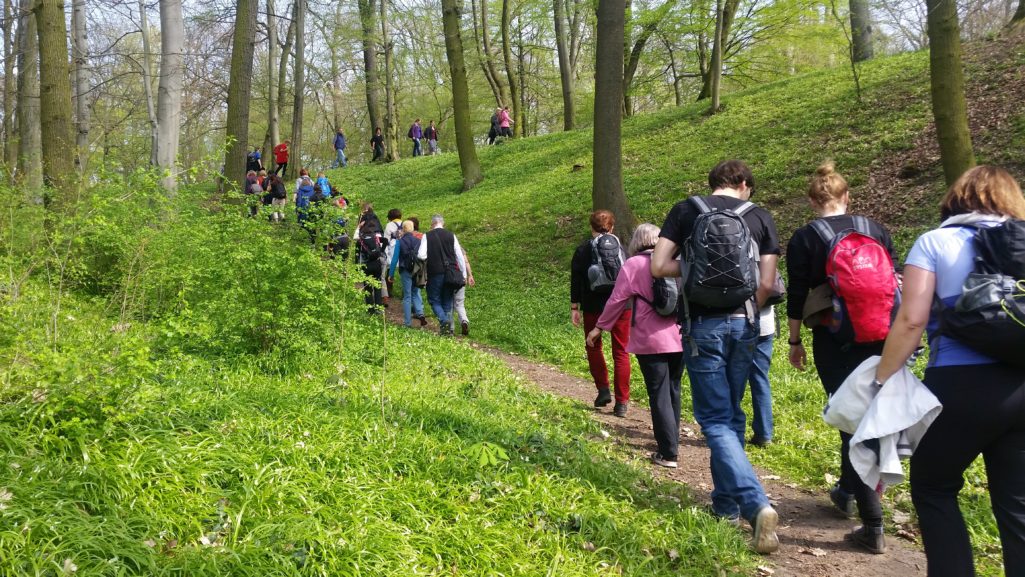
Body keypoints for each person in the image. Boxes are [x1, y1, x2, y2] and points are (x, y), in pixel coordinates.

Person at [874, 165, 1025, 576]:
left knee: (935, 488)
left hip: (960, 385)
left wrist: (882, 379)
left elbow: (911, 321)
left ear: (957, 197)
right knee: (1017, 508)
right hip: (1022, 384)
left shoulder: (935, 242)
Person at [651, 159, 781, 554]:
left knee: (715, 419)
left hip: (701, 327)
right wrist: (745, 313)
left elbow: (658, 266)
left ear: (714, 183)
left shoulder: (687, 209)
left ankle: (755, 503)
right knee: (732, 415)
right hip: (745, 326)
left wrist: (692, 268)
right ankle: (724, 506)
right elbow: (766, 282)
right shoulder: (759, 217)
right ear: (743, 184)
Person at [785, 161, 897, 553]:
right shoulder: (875, 230)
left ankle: (872, 523)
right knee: (875, 416)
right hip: (885, 337)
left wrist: (794, 340)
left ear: (812, 200)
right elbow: (894, 281)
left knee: (852, 420)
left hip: (835, 340)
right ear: (847, 196)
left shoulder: (805, 237)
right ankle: (850, 489)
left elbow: (797, 294)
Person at [586, 223, 683, 466]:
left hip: (650, 339)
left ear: (637, 242)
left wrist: (600, 327)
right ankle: (671, 438)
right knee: (673, 388)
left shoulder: (634, 264)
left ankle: (668, 452)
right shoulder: (675, 262)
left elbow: (617, 300)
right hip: (680, 336)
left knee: (658, 391)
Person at [570, 210, 632, 417]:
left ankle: (603, 390)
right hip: (621, 306)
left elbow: (576, 280)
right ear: (612, 227)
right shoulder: (621, 247)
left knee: (593, 345)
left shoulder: (583, 250)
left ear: (591, 227)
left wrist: (574, 308)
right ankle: (622, 403)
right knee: (621, 352)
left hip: (593, 305)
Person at [417, 214, 467, 336]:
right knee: (447, 301)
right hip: (450, 273)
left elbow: (421, 255)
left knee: (434, 300)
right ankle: (448, 331)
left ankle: (444, 321)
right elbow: (459, 256)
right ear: (442, 223)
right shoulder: (451, 235)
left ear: (432, 224)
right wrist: (464, 274)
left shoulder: (427, 236)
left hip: (435, 273)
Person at [388, 220, 428, 328]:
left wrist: (390, 274)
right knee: (416, 292)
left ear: (403, 229)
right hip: (416, 270)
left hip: (405, 270)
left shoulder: (399, 242)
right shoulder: (418, 241)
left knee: (407, 296)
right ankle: (420, 313)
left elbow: (395, 258)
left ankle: (407, 322)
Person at [746, 305, 775, 448]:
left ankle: (730, 430)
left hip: (740, 324)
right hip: (766, 325)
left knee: (734, 378)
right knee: (760, 379)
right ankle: (764, 434)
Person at [356, 203, 386, 313]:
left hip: (366, 263)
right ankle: (379, 307)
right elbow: (385, 242)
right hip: (377, 262)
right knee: (377, 285)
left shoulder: (361, 238)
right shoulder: (377, 235)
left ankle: (370, 309)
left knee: (367, 286)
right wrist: (381, 253)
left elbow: (357, 251)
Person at [450, 248, 474, 336]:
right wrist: (470, 275)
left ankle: (451, 328)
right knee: (459, 304)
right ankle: (464, 320)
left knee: (449, 304)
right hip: (461, 279)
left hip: (448, 278)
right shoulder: (459, 248)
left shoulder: (443, 246)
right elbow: (466, 262)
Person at [382, 209, 403, 307]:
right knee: (403, 270)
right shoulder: (405, 223)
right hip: (403, 247)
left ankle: (389, 291)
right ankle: (405, 292)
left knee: (390, 270)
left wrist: (384, 251)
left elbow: (386, 239)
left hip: (392, 249)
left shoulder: (389, 225)